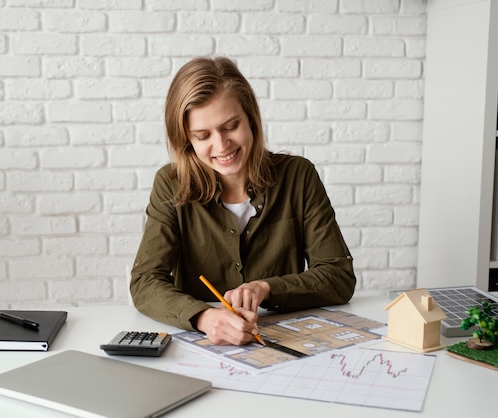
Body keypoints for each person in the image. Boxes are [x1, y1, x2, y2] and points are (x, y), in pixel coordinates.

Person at [130, 56, 356, 346]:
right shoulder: (170, 185)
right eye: (203, 136)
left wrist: (267, 289)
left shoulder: (299, 175)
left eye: (230, 126)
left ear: (250, 118)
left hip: (283, 343)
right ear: (187, 140)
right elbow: (145, 282)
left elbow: (339, 277)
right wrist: (204, 317)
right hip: (202, 347)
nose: (222, 146)